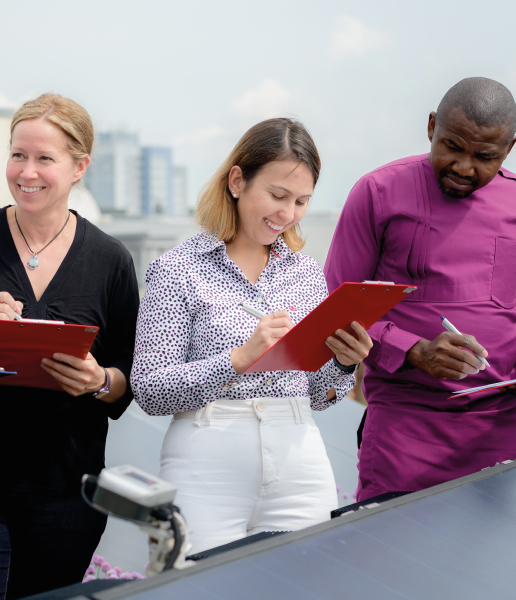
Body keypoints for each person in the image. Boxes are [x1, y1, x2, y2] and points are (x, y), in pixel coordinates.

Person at [0, 93, 139, 599]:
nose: (26, 171)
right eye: (18, 155)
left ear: (79, 167)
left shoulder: (110, 260)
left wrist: (99, 380)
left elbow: (128, 376)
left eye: (44, 159)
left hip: (65, 493)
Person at [324, 77, 516, 504]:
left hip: (501, 431)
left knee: (498, 566)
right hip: (404, 430)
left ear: (509, 149)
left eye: (484, 157)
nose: (464, 167)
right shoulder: (377, 192)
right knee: (393, 560)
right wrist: (414, 350)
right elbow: (335, 307)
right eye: (453, 146)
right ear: (431, 126)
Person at [131, 118, 372, 554]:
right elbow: (149, 390)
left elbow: (317, 396)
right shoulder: (175, 271)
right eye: (278, 195)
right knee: (196, 588)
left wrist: (343, 362)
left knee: (309, 584)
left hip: (300, 460)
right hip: (205, 466)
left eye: (301, 201)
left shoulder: (306, 274)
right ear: (237, 180)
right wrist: (238, 359)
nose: (288, 214)